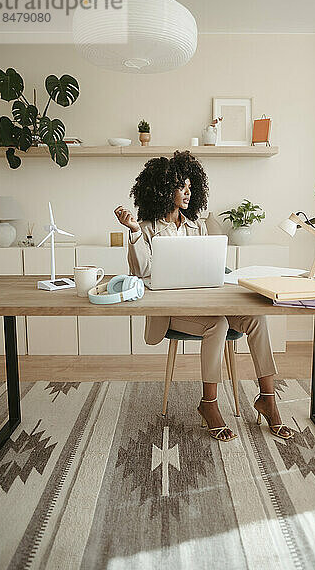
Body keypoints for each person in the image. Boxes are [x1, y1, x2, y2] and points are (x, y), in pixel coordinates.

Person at [114, 150, 294, 442]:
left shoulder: (197, 225)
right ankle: (209, 403)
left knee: (257, 318)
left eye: (189, 186)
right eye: (180, 186)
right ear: (162, 189)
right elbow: (141, 271)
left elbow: (211, 267)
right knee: (219, 324)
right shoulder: (145, 228)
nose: (187, 192)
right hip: (171, 313)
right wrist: (133, 232)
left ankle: (268, 398)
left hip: (206, 304)